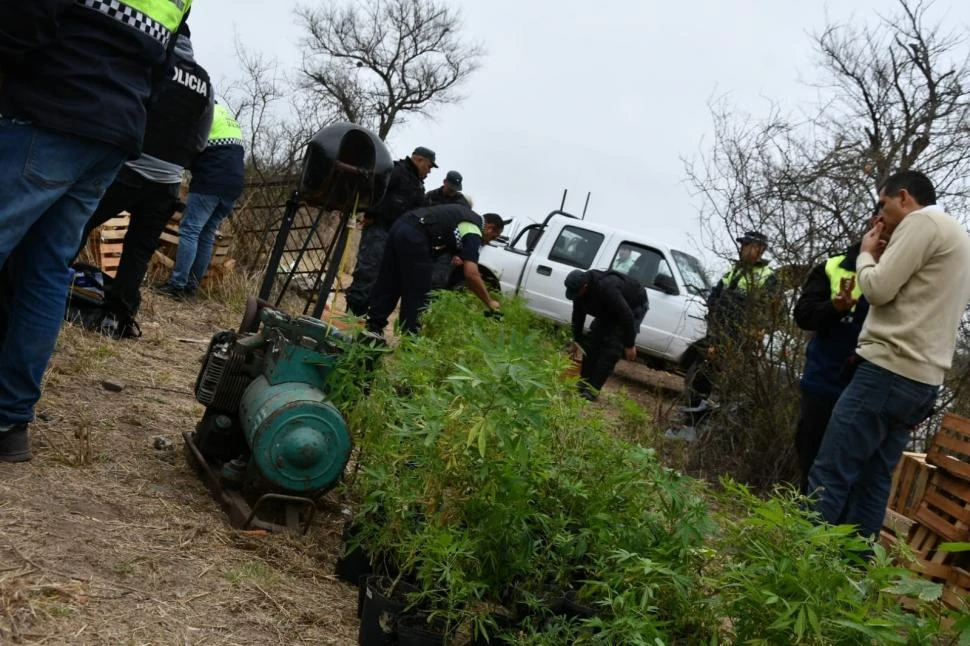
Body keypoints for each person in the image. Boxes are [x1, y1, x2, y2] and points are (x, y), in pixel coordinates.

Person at [0, 0, 192, 463]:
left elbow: (26, 16)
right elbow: (165, 68)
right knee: (46, 271)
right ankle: (9, 421)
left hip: (48, 109)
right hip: (113, 133)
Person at [808, 170, 970, 540]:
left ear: (903, 197)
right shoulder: (956, 235)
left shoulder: (921, 221)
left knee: (830, 472)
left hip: (886, 371)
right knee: (873, 481)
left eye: (883, 205)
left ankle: (798, 567)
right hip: (922, 383)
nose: (880, 216)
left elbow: (878, 289)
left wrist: (867, 256)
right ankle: (852, 575)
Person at [73, 28, 213, 338]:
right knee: (138, 252)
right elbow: (201, 139)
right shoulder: (203, 81)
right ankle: (117, 319)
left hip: (129, 169)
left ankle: (45, 286)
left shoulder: (155, 61)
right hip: (167, 183)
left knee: (77, 223)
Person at [792, 238, 869, 494]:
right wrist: (834, 308)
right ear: (875, 222)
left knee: (852, 476)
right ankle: (803, 528)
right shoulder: (832, 267)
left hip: (868, 390)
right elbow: (803, 315)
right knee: (811, 464)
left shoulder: (898, 269)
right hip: (823, 384)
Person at [365, 205, 504, 336]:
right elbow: (471, 274)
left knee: (390, 280)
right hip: (417, 235)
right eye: (493, 237)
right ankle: (410, 341)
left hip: (401, 225)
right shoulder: (474, 230)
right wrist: (489, 302)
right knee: (418, 292)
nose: (488, 242)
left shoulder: (465, 216)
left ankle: (372, 330)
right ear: (490, 228)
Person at [154, 103, 244, 299]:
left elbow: (186, 149)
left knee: (190, 229)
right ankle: (191, 287)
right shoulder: (226, 116)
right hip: (233, 185)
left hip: (211, 181)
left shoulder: (202, 112)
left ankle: (177, 284)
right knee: (206, 233)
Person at [683, 231, 778, 414]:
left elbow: (766, 309)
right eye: (742, 245)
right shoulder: (734, 271)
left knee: (729, 385)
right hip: (719, 334)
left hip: (741, 341)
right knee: (702, 376)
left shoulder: (767, 276)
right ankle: (692, 417)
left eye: (746, 245)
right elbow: (715, 298)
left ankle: (716, 424)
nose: (741, 249)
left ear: (759, 249)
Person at [345, 147, 434, 316]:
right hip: (379, 228)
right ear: (419, 160)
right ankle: (353, 312)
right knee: (368, 270)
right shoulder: (397, 171)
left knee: (382, 276)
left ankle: (363, 313)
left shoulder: (417, 183)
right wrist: (370, 212)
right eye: (428, 166)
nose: (429, 171)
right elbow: (375, 190)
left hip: (396, 237)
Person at [564, 269, 649, 401]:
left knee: (612, 349)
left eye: (576, 293)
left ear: (585, 286)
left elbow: (626, 316)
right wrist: (576, 340)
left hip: (633, 306)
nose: (575, 296)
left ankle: (592, 390)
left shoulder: (607, 287)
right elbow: (578, 316)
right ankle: (584, 383)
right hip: (610, 309)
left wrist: (629, 344)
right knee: (592, 343)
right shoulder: (579, 293)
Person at [427, 170, 472, 290]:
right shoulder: (431, 196)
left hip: (446, 247)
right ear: (444, 182)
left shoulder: (462, 204)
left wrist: (459, 254)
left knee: (437, 280)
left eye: (455, 190)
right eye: (450, 188)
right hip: (426, 241)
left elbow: (464, 229)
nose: (452, 192)